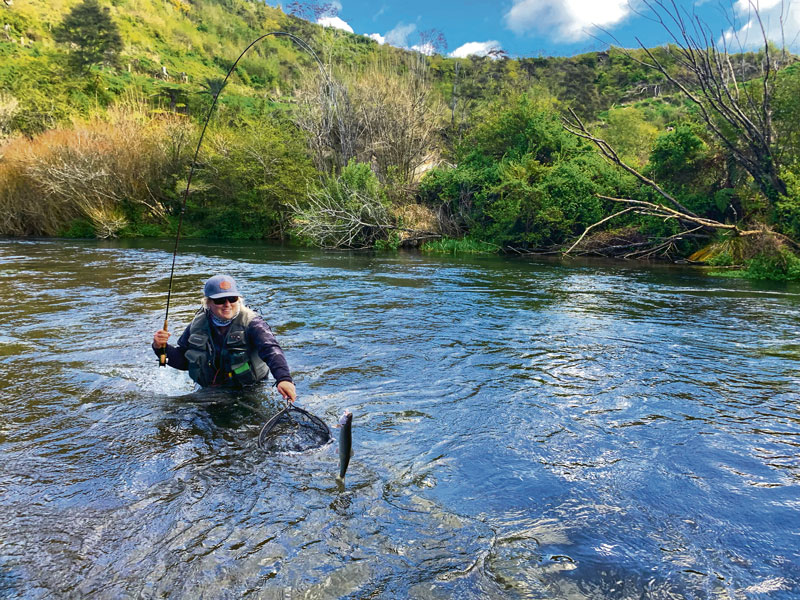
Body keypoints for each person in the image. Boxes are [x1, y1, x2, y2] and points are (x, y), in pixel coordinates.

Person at [152, 274, 296, 402]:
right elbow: (184, 360)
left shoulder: (252, 323)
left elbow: (271, 350)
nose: (227, 304)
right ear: (208, 303)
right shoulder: (197, 325)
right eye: (220, 300)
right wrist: (160, 348)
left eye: (232, 298)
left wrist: (283, 379)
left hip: (248, 388)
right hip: (210, 388)